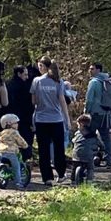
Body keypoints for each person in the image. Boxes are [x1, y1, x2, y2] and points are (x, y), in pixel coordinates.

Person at [31, 57, 71, 186]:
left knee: (43, 150)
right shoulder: (58, 81)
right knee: (59, 148)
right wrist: (67, 119)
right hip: (56, 119)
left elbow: (34, 101)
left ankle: (47, 177)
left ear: (44, 67)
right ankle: (61, 173)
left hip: (41, 119)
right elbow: (62, 100)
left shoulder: (36, 81)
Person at [84, 63, 111, 165]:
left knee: (89, 135)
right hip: (106, 114)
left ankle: (90, 158)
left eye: (92, 69)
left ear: (98, 70)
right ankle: (108, 160)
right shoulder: (108, 81)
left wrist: (86, 111)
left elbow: (89, 99)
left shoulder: (93, 82)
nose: (90, 71)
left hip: (95, 113)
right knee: (106, 138)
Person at [6, 65, 34, 160]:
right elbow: (29, 105)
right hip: (24, 119)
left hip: (10, 119)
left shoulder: (7, 85)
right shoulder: (25, 87)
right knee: (25, 141)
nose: (27, 77)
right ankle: (24, 161)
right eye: (25, 74)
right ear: (19, 74)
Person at [0, 113, 29, 189]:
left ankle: (0, 175)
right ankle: (18, 183)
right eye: (15, 123)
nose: (17, 124)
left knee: (4, 164)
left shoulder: (1, 133)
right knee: (16, 168)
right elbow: (20, 141)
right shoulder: (14, 132)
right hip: (11, 153)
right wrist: (25, 146)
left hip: (0, 153)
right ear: (9, 124)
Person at [72, 113, 100, 181]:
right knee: (90, 167)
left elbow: (73, 141)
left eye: (78, 125)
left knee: (75, 165)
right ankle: (89, 180)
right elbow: (99, 143)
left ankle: (73, 179)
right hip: (87, 155)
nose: (77, 127)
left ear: (81, 124)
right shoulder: (93, 135)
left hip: (76, 154)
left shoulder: (77, 133)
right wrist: (102, 148)